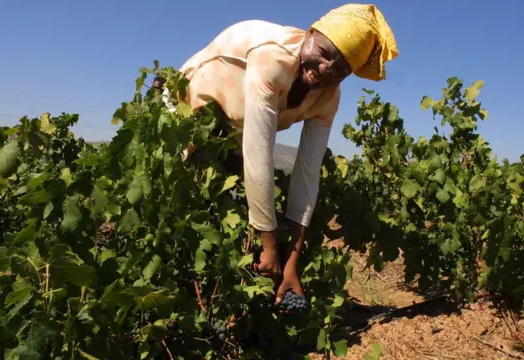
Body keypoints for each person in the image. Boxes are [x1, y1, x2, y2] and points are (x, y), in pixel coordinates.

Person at [157, 3, 398, 305]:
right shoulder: (272, 59)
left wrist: (291, 262)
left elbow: (308, 174)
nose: (326, 70)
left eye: (340, 70)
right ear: (310, 33)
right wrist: (269, 245)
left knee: (233, 199)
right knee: (184, 199)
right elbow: (259, 154)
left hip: (231, 126)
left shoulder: (328, 97)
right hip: (187, 108)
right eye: (324, 53)